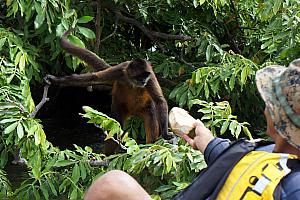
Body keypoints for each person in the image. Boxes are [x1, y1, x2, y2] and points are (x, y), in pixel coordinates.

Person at [84, 58, 300, 200]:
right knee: (112, 183)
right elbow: (225, 154)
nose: (264, 109)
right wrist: (204, 139)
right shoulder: (264, 149)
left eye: (271, 105)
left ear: (281, 121)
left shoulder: (294, 186)